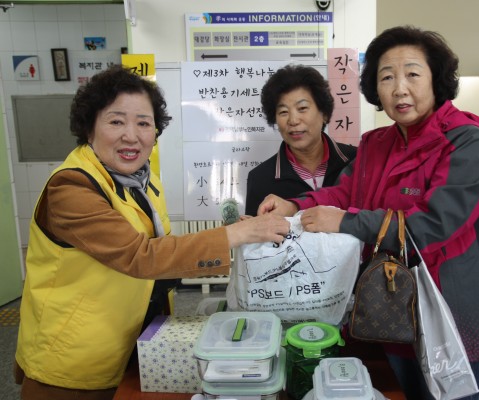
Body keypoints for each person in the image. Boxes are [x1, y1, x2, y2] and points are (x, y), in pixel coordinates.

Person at [13, 65, 290, 400]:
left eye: (144, 123)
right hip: (73, 362)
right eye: (116, 122)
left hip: (133, 339)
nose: (132, 136)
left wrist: (235, 231)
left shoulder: (142, 181)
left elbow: (160, 248)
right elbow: (139, 255)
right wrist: (236, 235)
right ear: (89, 128)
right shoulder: (71, 188)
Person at [258, 26, 479, 399]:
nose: (399, 88)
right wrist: (297, 204)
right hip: (386, 307)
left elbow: (431, 227)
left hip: (447, 313)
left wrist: (346, 222)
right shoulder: (376, 144)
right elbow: (346, 191)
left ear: (436, 79)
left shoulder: (469, 144)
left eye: (412, 74)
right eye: (387, 77)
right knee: (394, 389)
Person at [244, 64, 356, 216]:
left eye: (302, 108)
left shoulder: (356, 160)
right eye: (283, 112)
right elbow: (256, 231)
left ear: (324, 113)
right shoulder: (260, 178)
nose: (293, 120)